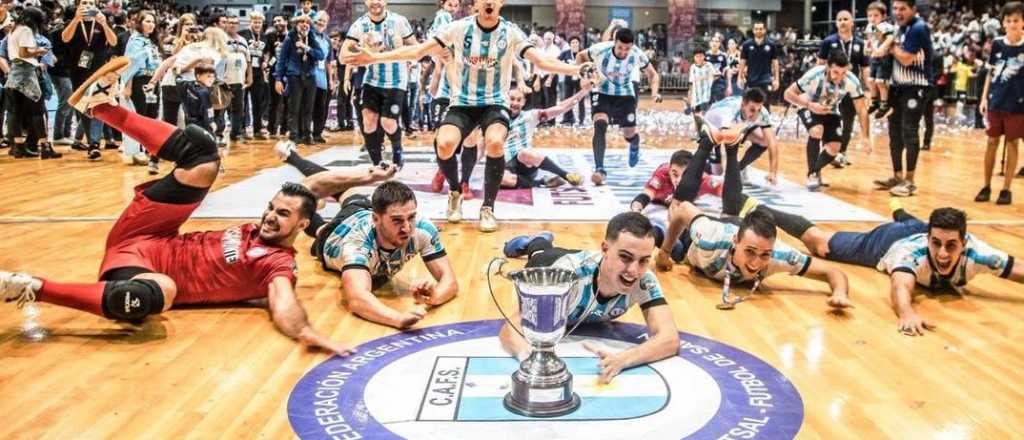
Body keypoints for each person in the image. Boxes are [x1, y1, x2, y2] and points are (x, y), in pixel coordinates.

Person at [0, 57, 355, 356]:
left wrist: (305, 331)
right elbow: (311, 188)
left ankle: (30, 286)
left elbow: (283, 302)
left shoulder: (278, 264)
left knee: (158, 294)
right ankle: (100, 107)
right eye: (271, 208)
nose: (269, 217)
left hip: (137, 272)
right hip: (145, 232)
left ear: (303, 223)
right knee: (203, 155)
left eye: (283, 214)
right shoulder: (256, 230)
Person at [342, 0, 595, 232]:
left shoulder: (511, 32)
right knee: (444, 144)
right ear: (474, 4)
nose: (488, 2)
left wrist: (576, 69)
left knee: (495, 141)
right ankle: (454, 192)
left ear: (500, 3)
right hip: (462, 102)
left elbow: (541, 62)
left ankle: (488, 208)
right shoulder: (458, 28)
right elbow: (417, 51)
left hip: (494, 103)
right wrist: (374, 57)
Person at [654, 125, 851, 309]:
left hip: (734, 226)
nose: (756, 263)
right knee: (677, 207)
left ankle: (731, 147)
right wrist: (664, 253)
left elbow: (833, 272)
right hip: (695, 245)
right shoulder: (709, 238)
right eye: (750, 252)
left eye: (765, 254)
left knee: (731, 212)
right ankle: (706, 143)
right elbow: (684, 209)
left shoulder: (779, 255)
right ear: (735, 242)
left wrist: (840, 293)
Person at [771, 201, 1023, 336]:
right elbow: (900, 285)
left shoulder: (980, 254)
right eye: (936, 244)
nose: (943, 254)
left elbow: (1018, 268)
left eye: (951, 245)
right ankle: (756, 206)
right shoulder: (912, 255)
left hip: (919, 229)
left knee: (913, 223)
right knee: (820, 244)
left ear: (965, 243)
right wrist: (907, 313)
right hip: (887, 242)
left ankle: (900, 211)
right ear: (928, 240)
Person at [499, 212, 680, 384]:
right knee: (540, 254)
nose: (633, 270)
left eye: (643, 260)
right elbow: (510, 330)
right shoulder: (566, 277)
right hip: (549, 264)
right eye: (625, 257)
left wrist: (623, 359)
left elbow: (669, 338)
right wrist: (530, 360)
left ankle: (542, 242)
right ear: (605, 249)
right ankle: (535, 242)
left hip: (586, 261)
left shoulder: (644, 280)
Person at [576, 26, 662, 184]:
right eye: (620, 48)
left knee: (628, 135)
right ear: (614, 42)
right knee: (600, 124)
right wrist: (584, 77)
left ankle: (634, 143)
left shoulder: (637, 54)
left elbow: (653, 74)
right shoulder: (601, 49)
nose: (623, 52)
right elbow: (580, 57)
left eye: (627, 49)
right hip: (602, 91)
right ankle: (600, 169)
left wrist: (654, 92)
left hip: (625, 95)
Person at [343, 0, 418, 167]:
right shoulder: (360, 25)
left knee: (388, 123)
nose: (375, 2)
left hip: (396, 81)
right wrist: (360, 55)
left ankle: (398, 151)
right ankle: (378, 165)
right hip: (372, 80)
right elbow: (343, 56)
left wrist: (405, 54)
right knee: (368, 121)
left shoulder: (399, 21)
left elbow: (416, 49)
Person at [784, 50, 872, 191]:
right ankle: (812, 175)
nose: (840, 77)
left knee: (835, 148)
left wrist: (866, 136)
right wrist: (810, 105)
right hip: (808, 105)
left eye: (843, 73)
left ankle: (816, 170)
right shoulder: (814, 75)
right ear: (827, 67)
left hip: (830, 110)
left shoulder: (852, 80)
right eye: (836, 72)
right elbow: (787, 93)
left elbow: (861, 109)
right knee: (816, 130)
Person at [873, 0, 933, 197]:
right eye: (895, 8)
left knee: (909, 131)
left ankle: (910, 180)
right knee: (895, 134)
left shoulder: (918, 28)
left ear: (913, 9)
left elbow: (906, 58)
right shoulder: (899, 28)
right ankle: (897, 176)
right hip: (898, 87)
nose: (898, 12)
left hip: (916, 87)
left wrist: (888, 47)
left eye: (902, 9)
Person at [977, 1, 1024, 206]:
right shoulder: (997, 43)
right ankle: (986, 185)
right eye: (1008, 20)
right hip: (996, 101)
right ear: (1003, 22)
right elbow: (990, 73)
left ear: (1023, 22)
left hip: (1018, 104)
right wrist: (983, 98)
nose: (1012, 24)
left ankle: (1006, 189)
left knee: (1013, 144)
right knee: (991, 142)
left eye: (1016, 20)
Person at [62, 0, 118, 160]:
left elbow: (113, 42)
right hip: (78, 71)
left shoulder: (101, 21)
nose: (87, 5)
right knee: (83, 107)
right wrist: (75, 19)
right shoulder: (72, 21)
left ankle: (94, 144)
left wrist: (105, 24)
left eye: (90, 2)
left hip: (99, 71)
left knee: (97, 104)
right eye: (84, 2)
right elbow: (65, 39)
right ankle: (91, 141)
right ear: (79, 5)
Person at [500, 87, 585, 189]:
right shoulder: (496, 118)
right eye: (512, 99)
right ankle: (541, 182)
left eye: (519, 100)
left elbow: (561, 108)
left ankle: (566, 175)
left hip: (524, 164)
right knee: (500, 179)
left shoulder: (530, 116)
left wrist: (584, 90)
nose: (515, 103)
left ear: (524, 102)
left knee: (524, 153)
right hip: (504, 165)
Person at [816, 10, 870, 169]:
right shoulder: (828, 41)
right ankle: (829, 151)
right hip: (831, 89)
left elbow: (865, 68)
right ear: (836, 23)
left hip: (851, 89)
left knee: (848, 122)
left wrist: (867, 88)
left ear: (852, 22)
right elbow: (820, 64)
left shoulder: (860, 43)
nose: (842, 22)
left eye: (846, 19)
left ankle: (842, 153)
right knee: (829, 119)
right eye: (839, 19)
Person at [275, 14, 325, 145]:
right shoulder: (289, 39)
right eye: (301, 22)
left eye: (307, 22)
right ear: (296, 25)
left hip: (310, 76)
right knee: (294, 107)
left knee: (308, 108)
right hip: (295, 75)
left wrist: (306, 47)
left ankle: (307, 135)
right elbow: (281, 61)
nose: (305, 24)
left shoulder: (312, 38)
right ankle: (294, 135)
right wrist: (278, 79)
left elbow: (321, 55)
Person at [866, 2, 897, 119]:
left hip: (884, 58)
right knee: (870, 80)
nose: (872, 18)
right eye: (870, 16)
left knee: (880, 81)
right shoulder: (870, 27)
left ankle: (884, 104)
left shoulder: (886, 26)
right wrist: (867, 47)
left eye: (876, 15)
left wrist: (882, 47)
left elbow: (890, 38)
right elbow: (869, 39)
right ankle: (874, 102)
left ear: (883, 16)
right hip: (874, 57)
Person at [738, 22, 780, 103]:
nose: (758, 31)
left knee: (765, 105)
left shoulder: (771, 44)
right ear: (753, 30)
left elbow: (775, 63)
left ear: (764, 30)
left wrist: (776, 79)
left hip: (766, 80)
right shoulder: (746, 44)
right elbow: (742, 62)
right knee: (750, 104)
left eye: (760, 29)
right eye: (756, 29)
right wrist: (739, 77)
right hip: (751, 80)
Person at [688, 45, 719, 116]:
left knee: (704, 114)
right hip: (696, 97)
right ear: (694, 57)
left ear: (704, 56)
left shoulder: (709, 65)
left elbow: (717, 75)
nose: (699, 58)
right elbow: (691, 83)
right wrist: (690, 94)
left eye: (701, 56)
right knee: (696, 115)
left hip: (707, 96)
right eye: (697, 56)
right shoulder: (693, 67)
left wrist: (706, 78)